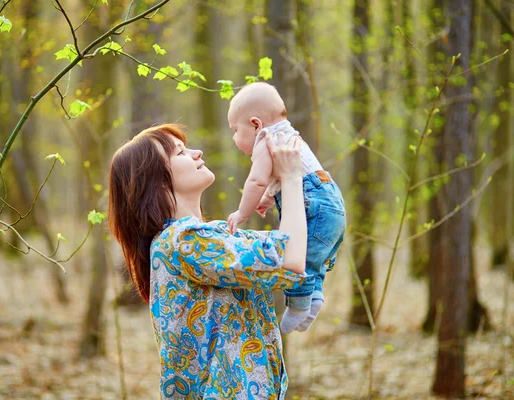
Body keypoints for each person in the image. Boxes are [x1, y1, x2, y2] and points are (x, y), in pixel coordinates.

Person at [108, 123, 308, 399]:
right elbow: (291, 260)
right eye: (180, 152)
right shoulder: (183, 241)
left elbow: (293, 249)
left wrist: (279, 188)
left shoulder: (210, 236)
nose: (197, 152)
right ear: (156, 180)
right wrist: (292, 178)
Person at [226, 82, 346, 334]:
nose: (234, 138)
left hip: (314, 206)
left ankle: (299, 303)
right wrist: (270, 197)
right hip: (332, 204)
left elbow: (256, 180)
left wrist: (242, 212)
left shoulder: (265, 140)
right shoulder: (289, 136)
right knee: (314, 259)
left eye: (235, 130)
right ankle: (314, 297)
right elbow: (291, 175)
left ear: (255, 124)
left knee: (299, 257)